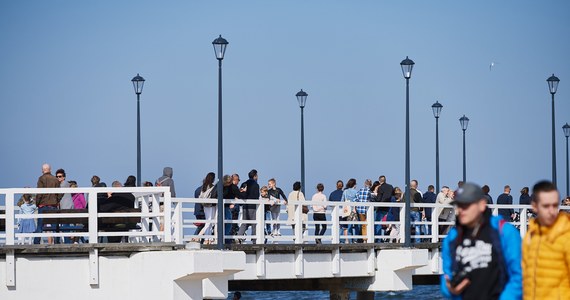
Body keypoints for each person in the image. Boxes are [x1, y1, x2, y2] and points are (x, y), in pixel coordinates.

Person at [440, 182, 522, 300]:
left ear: (482, 205)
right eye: (458, 205)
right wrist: (449, 289)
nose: (461, 210)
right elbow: (447, 275)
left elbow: (519, 276)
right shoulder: (452, 238)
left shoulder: (504, 232)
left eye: (466, 205)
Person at [522, 181, 570, 299]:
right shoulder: (530, 235)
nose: (551, 211)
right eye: (546, 206)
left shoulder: (566, 235)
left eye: (555, 205)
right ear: (534, 206)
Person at [34, 163, 61, 244]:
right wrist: (57, 200)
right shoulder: (55, 179)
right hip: (53, 205)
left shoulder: (41, 179)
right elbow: (60, 193)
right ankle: (56, 242)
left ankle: (36, 242)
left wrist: (37, 203)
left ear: (42, 170)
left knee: (40, 225)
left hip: (43, 205)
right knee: (54, 225)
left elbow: (39, 193)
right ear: (50, 170)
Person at [237, 169, 260, 243]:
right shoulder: (256, 185)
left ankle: (239, 236)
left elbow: (240, 193)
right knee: (254, 223)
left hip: (245, 206)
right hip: (252, 206)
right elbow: (256, 196)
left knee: (244, 222)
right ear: (255, 176)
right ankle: (254, 240)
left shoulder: (244, 183)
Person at [197, 172, 216, 244]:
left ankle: (207, 238)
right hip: (210, 205)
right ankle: (204, 238)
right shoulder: (212, 186)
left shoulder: (204, 186)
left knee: (208, 220)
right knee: (210, 221)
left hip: (205, 205)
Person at [375, 175, 393, 242]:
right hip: (388, 208)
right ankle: (387, 238)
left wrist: (376, 195)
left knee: (378, 223)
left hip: (381, 208)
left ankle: (378, 239)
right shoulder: (390, 187)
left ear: (380, 181)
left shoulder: (380, 188)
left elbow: (379, 198)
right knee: (387, 223)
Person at [341, 178, 358, 243]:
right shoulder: (356, 192)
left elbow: (342, 201)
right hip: (353, 210)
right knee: (355, 225)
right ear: (354, 184)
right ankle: (355, 239)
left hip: (346, 210)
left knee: (347, 225)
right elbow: (357, 201)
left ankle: (349, 240)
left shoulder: (345, 191)